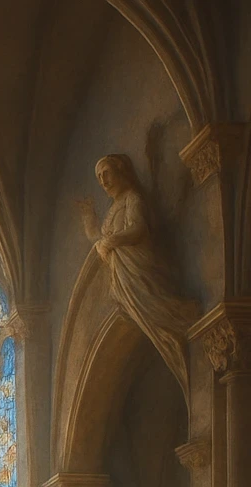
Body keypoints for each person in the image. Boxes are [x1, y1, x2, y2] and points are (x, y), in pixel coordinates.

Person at [78, 153, 191, 401]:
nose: (103, 180)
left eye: (106, 173)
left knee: (161, 317)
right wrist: (90, 221)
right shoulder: (113, 209)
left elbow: (138, 228)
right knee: (147, 320)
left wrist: (109, 242)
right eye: (99, 177)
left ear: (121, 171)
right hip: (123, 276)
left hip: (139, 270)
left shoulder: (133, 198)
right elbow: (100, 237)